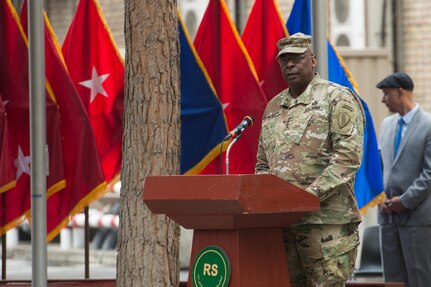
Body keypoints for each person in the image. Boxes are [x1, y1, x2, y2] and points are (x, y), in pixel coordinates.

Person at [255, 32, 365, 286]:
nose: (290, 65)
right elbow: (263, 163)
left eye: (297, 58)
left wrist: (307, 196)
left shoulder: (337, 98)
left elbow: (347, 158)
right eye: (284, 61)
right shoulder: (273, 106)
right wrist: (268, 198)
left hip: (326, 224)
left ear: (313, 60)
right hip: (283, 224)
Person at [376, 72, 431, 287]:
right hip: (388, 218)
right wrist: (379, 197)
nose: (383, 100)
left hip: (416, 218)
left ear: (400, 92)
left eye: (386, 94)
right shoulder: (387, 124)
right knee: (393, 279)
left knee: (420, 278)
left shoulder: (428, 125)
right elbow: (380, 166)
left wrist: (405, 200)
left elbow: (429, 173)